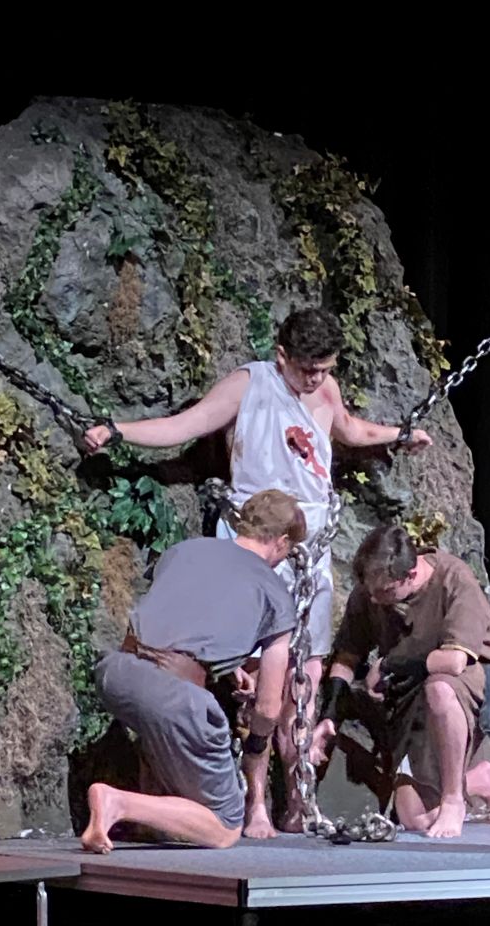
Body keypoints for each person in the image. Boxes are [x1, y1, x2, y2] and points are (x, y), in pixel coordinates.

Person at [84, 308, 432, 833]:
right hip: (257, 541)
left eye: (324, 369)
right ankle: (251, 805)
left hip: (309, 550)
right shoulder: (250, 384)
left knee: (306, 674)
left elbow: (349, 429)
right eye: (306, 369)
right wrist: (118, 430)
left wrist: (397, 435)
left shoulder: (326, 388)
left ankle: (297, 798)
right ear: (282, 356)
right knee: (249, 679)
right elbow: (187, 424)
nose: (315, 380)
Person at [81, 490, 303, 853]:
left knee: (162, 721)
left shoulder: (183, 550)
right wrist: (258, 741)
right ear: (281, 542)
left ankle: (146, 816)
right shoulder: (275, 592)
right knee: (223, 826)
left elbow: (183, 616)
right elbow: (267, 709)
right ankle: (118, 804)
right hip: (171, 695)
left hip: (118, 672)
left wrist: (223, 668)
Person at [314, 525, 490, 839]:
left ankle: (453, 797)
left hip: (466, 687)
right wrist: (329, 716)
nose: (375, 599)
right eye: (371, 592)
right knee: (415, 819)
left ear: (409, 575)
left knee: (440, 685)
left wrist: (389, 664)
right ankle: (474, 782)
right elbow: (346, 658)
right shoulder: (373, 592)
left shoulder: (454, 579)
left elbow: (455, 660)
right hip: (408, 696)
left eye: (384, 592)